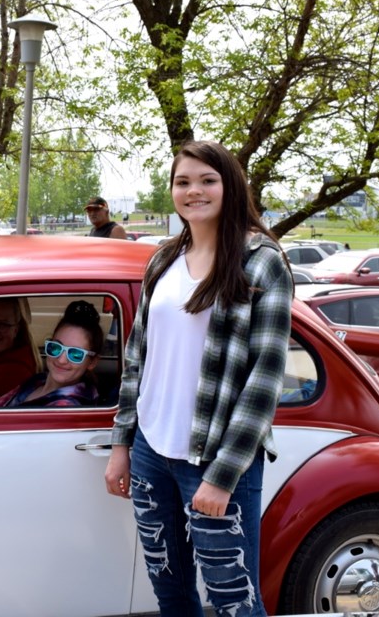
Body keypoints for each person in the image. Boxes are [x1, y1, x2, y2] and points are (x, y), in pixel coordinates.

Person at [104, 141, 293, 616]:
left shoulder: (259, 260)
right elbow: (136, 360)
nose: (194, 191)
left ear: (230, 185)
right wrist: (122, 445)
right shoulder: (163, 259)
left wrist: (222, 477)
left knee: (234, 600)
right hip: (151, 451)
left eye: (207, 180)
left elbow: (265, 379)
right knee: (170, 592)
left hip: (215, 459)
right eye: (183, 181)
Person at [0, 300, 103, 408]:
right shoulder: (37, 381)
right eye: (56, 347)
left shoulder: (67, 407)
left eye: (75, 354)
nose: (61, 360)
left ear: (92, 362)